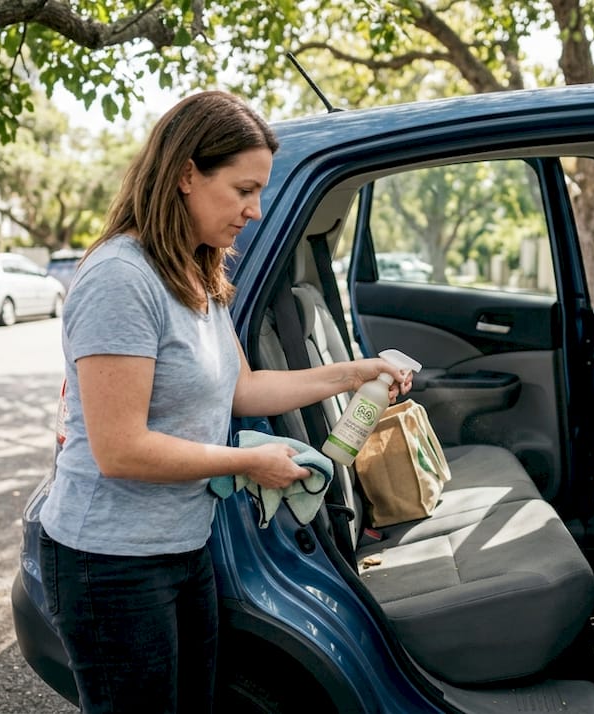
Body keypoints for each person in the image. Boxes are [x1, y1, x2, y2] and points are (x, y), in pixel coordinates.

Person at [36, 90, 411, 714]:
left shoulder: (198, 272)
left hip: (182, 544)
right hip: (109, 562)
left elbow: (243, 390)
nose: (255, 210)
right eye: (242, 190)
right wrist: (248, 465)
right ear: (186, 173)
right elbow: (119, 450)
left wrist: (353, 374)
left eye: (258, 192)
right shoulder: (121, 280)